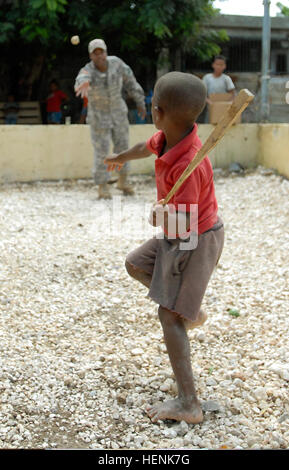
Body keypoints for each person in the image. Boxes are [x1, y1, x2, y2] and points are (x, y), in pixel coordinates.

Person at [104, 72, 224, 424]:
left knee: (167, 315)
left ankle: (189, 403)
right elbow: (148, 145)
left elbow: (182, 228)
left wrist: (160, 217)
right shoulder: (170, 137)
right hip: (182, 231)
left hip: (196, 239)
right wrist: (122, 156)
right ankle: (189, 310)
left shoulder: (189, 164)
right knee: (136, 263)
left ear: (157, 110)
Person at [74, 38, 146, 199]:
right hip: (99, 118)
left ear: (106, 52)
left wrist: (140, 101)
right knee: (101, 152)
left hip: (118, 114)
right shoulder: (88, 70)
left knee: (123, 148)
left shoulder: (117, 64)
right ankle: (102, 186)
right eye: (95, 53)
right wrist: (83, 83)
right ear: (91, 56)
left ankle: (123, 181)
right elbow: (81, 79)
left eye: (102, 52)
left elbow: (131, 82)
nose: (99, 56)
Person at [202, 55, 235, 122]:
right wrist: (210, 102)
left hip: (224, 109)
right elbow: (202, 93)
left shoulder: (226, 79)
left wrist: (228, 103)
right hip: (211, 109)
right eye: (217, 64)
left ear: (224, 66)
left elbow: (232, 93)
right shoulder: (207, 78)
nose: (219, 67)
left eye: (221, 65)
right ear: (213, 65)